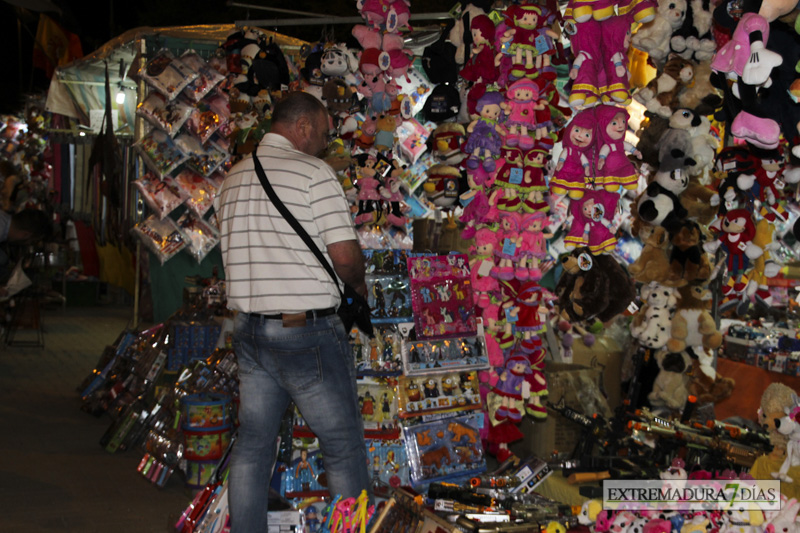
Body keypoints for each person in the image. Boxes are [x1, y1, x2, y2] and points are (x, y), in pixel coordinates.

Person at [215, 91, 371, 533]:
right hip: (305, 333)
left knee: (252, 447)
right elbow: (344, 257)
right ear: (302, 126)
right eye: (322, 134)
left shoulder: (232, 178)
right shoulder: (313, 173)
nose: (324, 144)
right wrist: (358, 287)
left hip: (248, 331)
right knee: (342, 447)